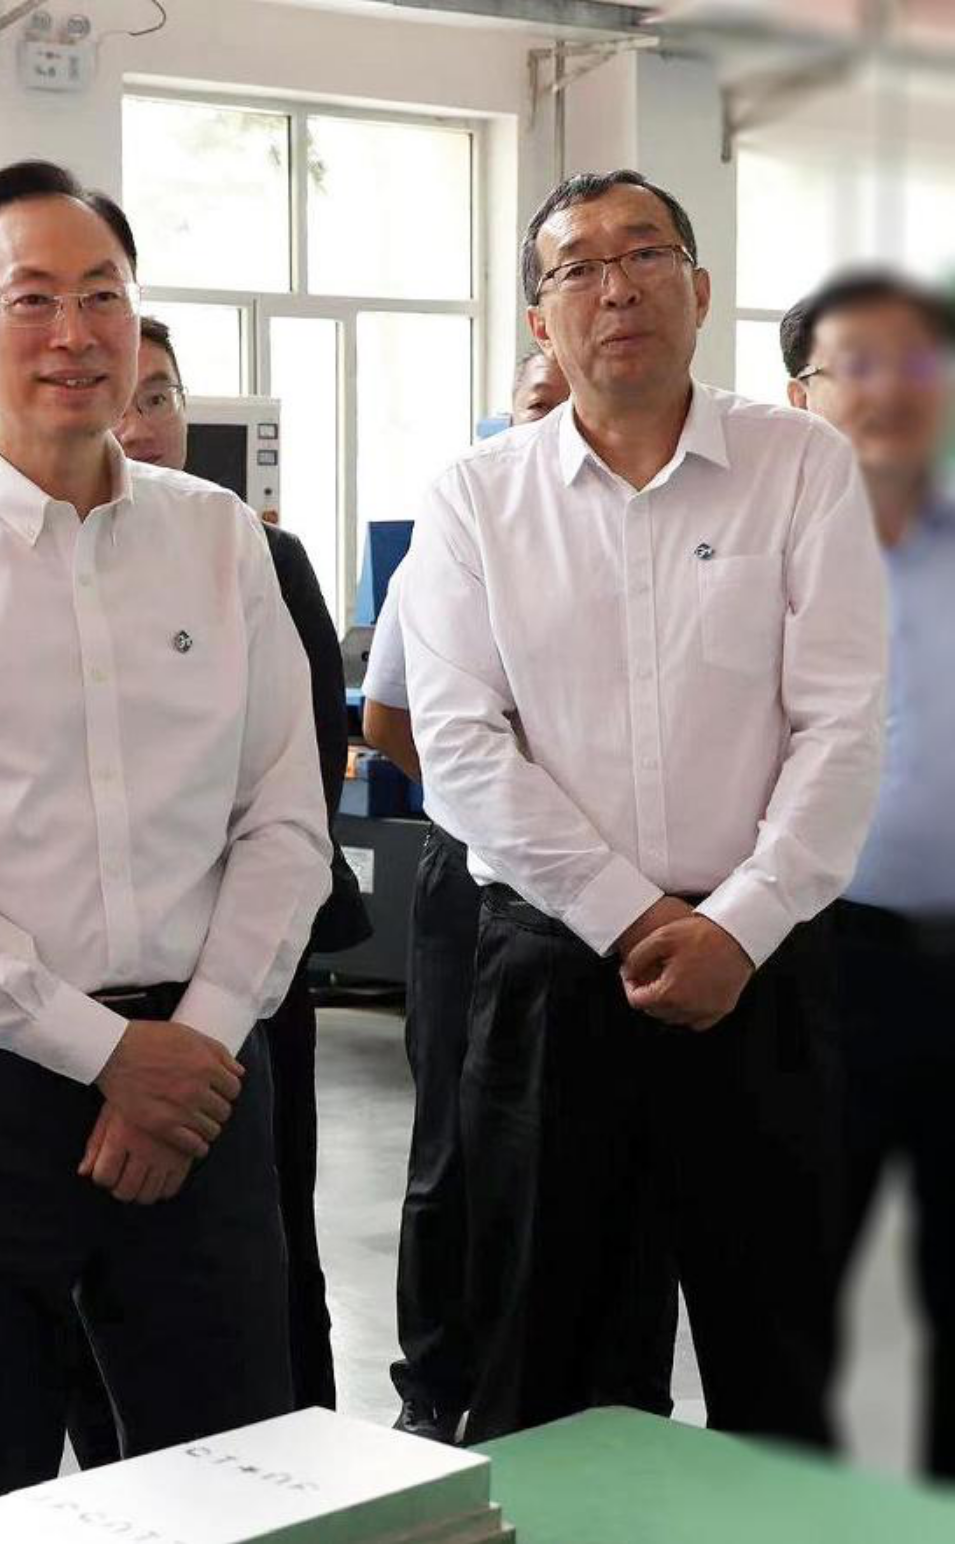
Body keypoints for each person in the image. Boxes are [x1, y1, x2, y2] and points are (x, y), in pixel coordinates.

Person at [0, 160, 330, 1519]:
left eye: (105, 298)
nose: (75, 334)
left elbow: (284, 822)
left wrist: (193, 1045)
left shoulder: (221, 540)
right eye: (32, 299)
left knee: (233, 1487)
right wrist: (109, 1056)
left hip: (202, 1085)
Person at [401, 170, 886, 1448]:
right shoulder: (477, 496)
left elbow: (844, 723)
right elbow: (460, 750)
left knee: (784, 1364)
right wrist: (634, 916)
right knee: (549, 1371)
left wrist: (738, 924)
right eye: (578, 267)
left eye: (645, 254)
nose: (616, 287)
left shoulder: (800, 464)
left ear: (701, 289)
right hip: (557, 976)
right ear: (539, 320)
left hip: (763, 969)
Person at [364, 346, 665, 1445]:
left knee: (615, 1158)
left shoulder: (651, 537)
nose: (562, 420)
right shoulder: (468, 528)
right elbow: (392, 719)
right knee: (459, 1137)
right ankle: (439, 1377)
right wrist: (494, 803)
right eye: (541, 402)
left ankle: (612, 1400)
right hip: (484, 879)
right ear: (506, 416)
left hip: (629, 893)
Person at [108, 314, 370, 1424]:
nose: (139, 422)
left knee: (267, 1230)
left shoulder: (258, 555)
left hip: (252, 961)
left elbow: (305, 764)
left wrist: (230, 971)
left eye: (159, 396)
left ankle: (302, 1444)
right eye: (123, 396)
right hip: (93, 989)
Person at [782, 269, 953, 1481]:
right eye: (859, 363)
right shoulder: (762, 550)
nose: (892, 389)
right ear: (802, 393)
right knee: (793, 1272)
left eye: (919, 362)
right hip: (820, 959)